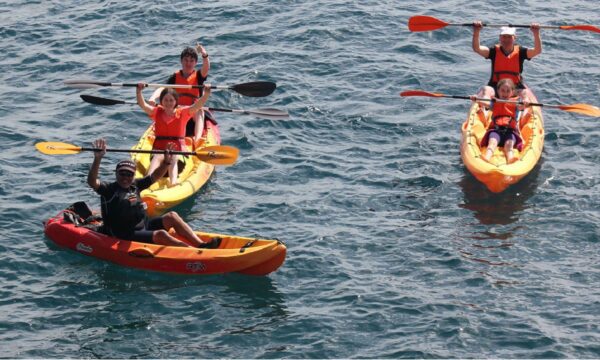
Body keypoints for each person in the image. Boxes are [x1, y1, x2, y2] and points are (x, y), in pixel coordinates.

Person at [87, 138, 215, 248]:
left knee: (172, 216)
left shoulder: (136, 185)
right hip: (123, 233)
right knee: (161, 235)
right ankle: (192, 252)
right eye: (122, 173)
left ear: (133, 175)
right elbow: (92, 181)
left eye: (129, 174)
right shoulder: (109, 190)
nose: (125, 177)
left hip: (143, 226)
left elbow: (155, 176)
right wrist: (97, 159)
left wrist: (166, 162)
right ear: (116, 174)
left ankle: (200, 245)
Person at [136, 82, 211, 186]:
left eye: (171, 100)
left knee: (173, 155)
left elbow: (198, 105)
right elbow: (142, 104)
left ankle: (173, 182)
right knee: (158, 156)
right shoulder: (156, 112)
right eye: (165, 100)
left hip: (178, 158)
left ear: (176, 101)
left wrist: (206, 93)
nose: (168, 103)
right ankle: (148, 180)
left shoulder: (183, 113)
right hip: (159, 153)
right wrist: (139, 91)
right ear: (161, 101)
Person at [148, 44, 210, 147]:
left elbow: (206, 67)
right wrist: (153, 98)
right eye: (186, 60)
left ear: (195, 63)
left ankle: (197, 140)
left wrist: (204, 54)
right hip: (178, 110)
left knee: (200, 110)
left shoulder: (199, 76)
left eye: (191, 61)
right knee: (163, 109)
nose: (188, 63)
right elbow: (162, 88)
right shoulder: (174, 77)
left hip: (191, 110)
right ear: (181, 61)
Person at [472, 21, 542, 102]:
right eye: (504, 36)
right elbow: (477, 49)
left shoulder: (521, 52)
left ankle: (523, 106)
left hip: (515, 88)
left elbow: (537, 51)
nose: (506, 39)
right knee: (486, 89)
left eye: (509, 37)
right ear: (500, 38)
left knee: (525, 93)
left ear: (514, 38)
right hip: (496, 87)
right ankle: (484, 106)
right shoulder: (493, 51)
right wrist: (476, 31)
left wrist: (536, 33)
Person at [472, 78, 530, 164]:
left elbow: (521, 107)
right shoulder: (494, 102)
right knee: (492, 142)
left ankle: (510, 159)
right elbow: (485, 104)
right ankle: (486, 158)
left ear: (512, 92)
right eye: (502, 90)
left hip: (510, 132)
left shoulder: (516, 104)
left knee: (509, 145)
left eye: (508, 91)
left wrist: (525, 103)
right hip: (495, 130)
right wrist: (476, 99)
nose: (505, 93)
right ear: (498, 91)